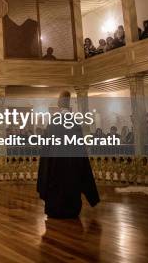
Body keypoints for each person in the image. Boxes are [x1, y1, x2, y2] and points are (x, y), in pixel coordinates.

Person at [36, 91, 99, 219]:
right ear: (69, 105)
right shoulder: (75, 125)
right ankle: (71, 208)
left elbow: (46, 151)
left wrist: (43, 176)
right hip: (72, 169)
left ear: (59, 105)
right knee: (71, 186)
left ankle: (55, 208)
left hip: (55, 168)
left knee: (56, 189)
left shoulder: (52, 124)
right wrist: (91, 195)